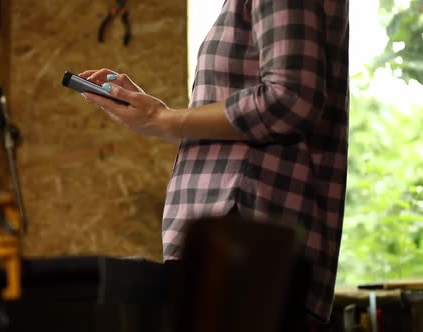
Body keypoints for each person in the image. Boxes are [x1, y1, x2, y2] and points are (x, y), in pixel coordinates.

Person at [79, 0, 349, 328]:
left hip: (245, 245)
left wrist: (162, 119)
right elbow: (248, 133)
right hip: (237, 246)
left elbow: (290, 100)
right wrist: (157, 116)